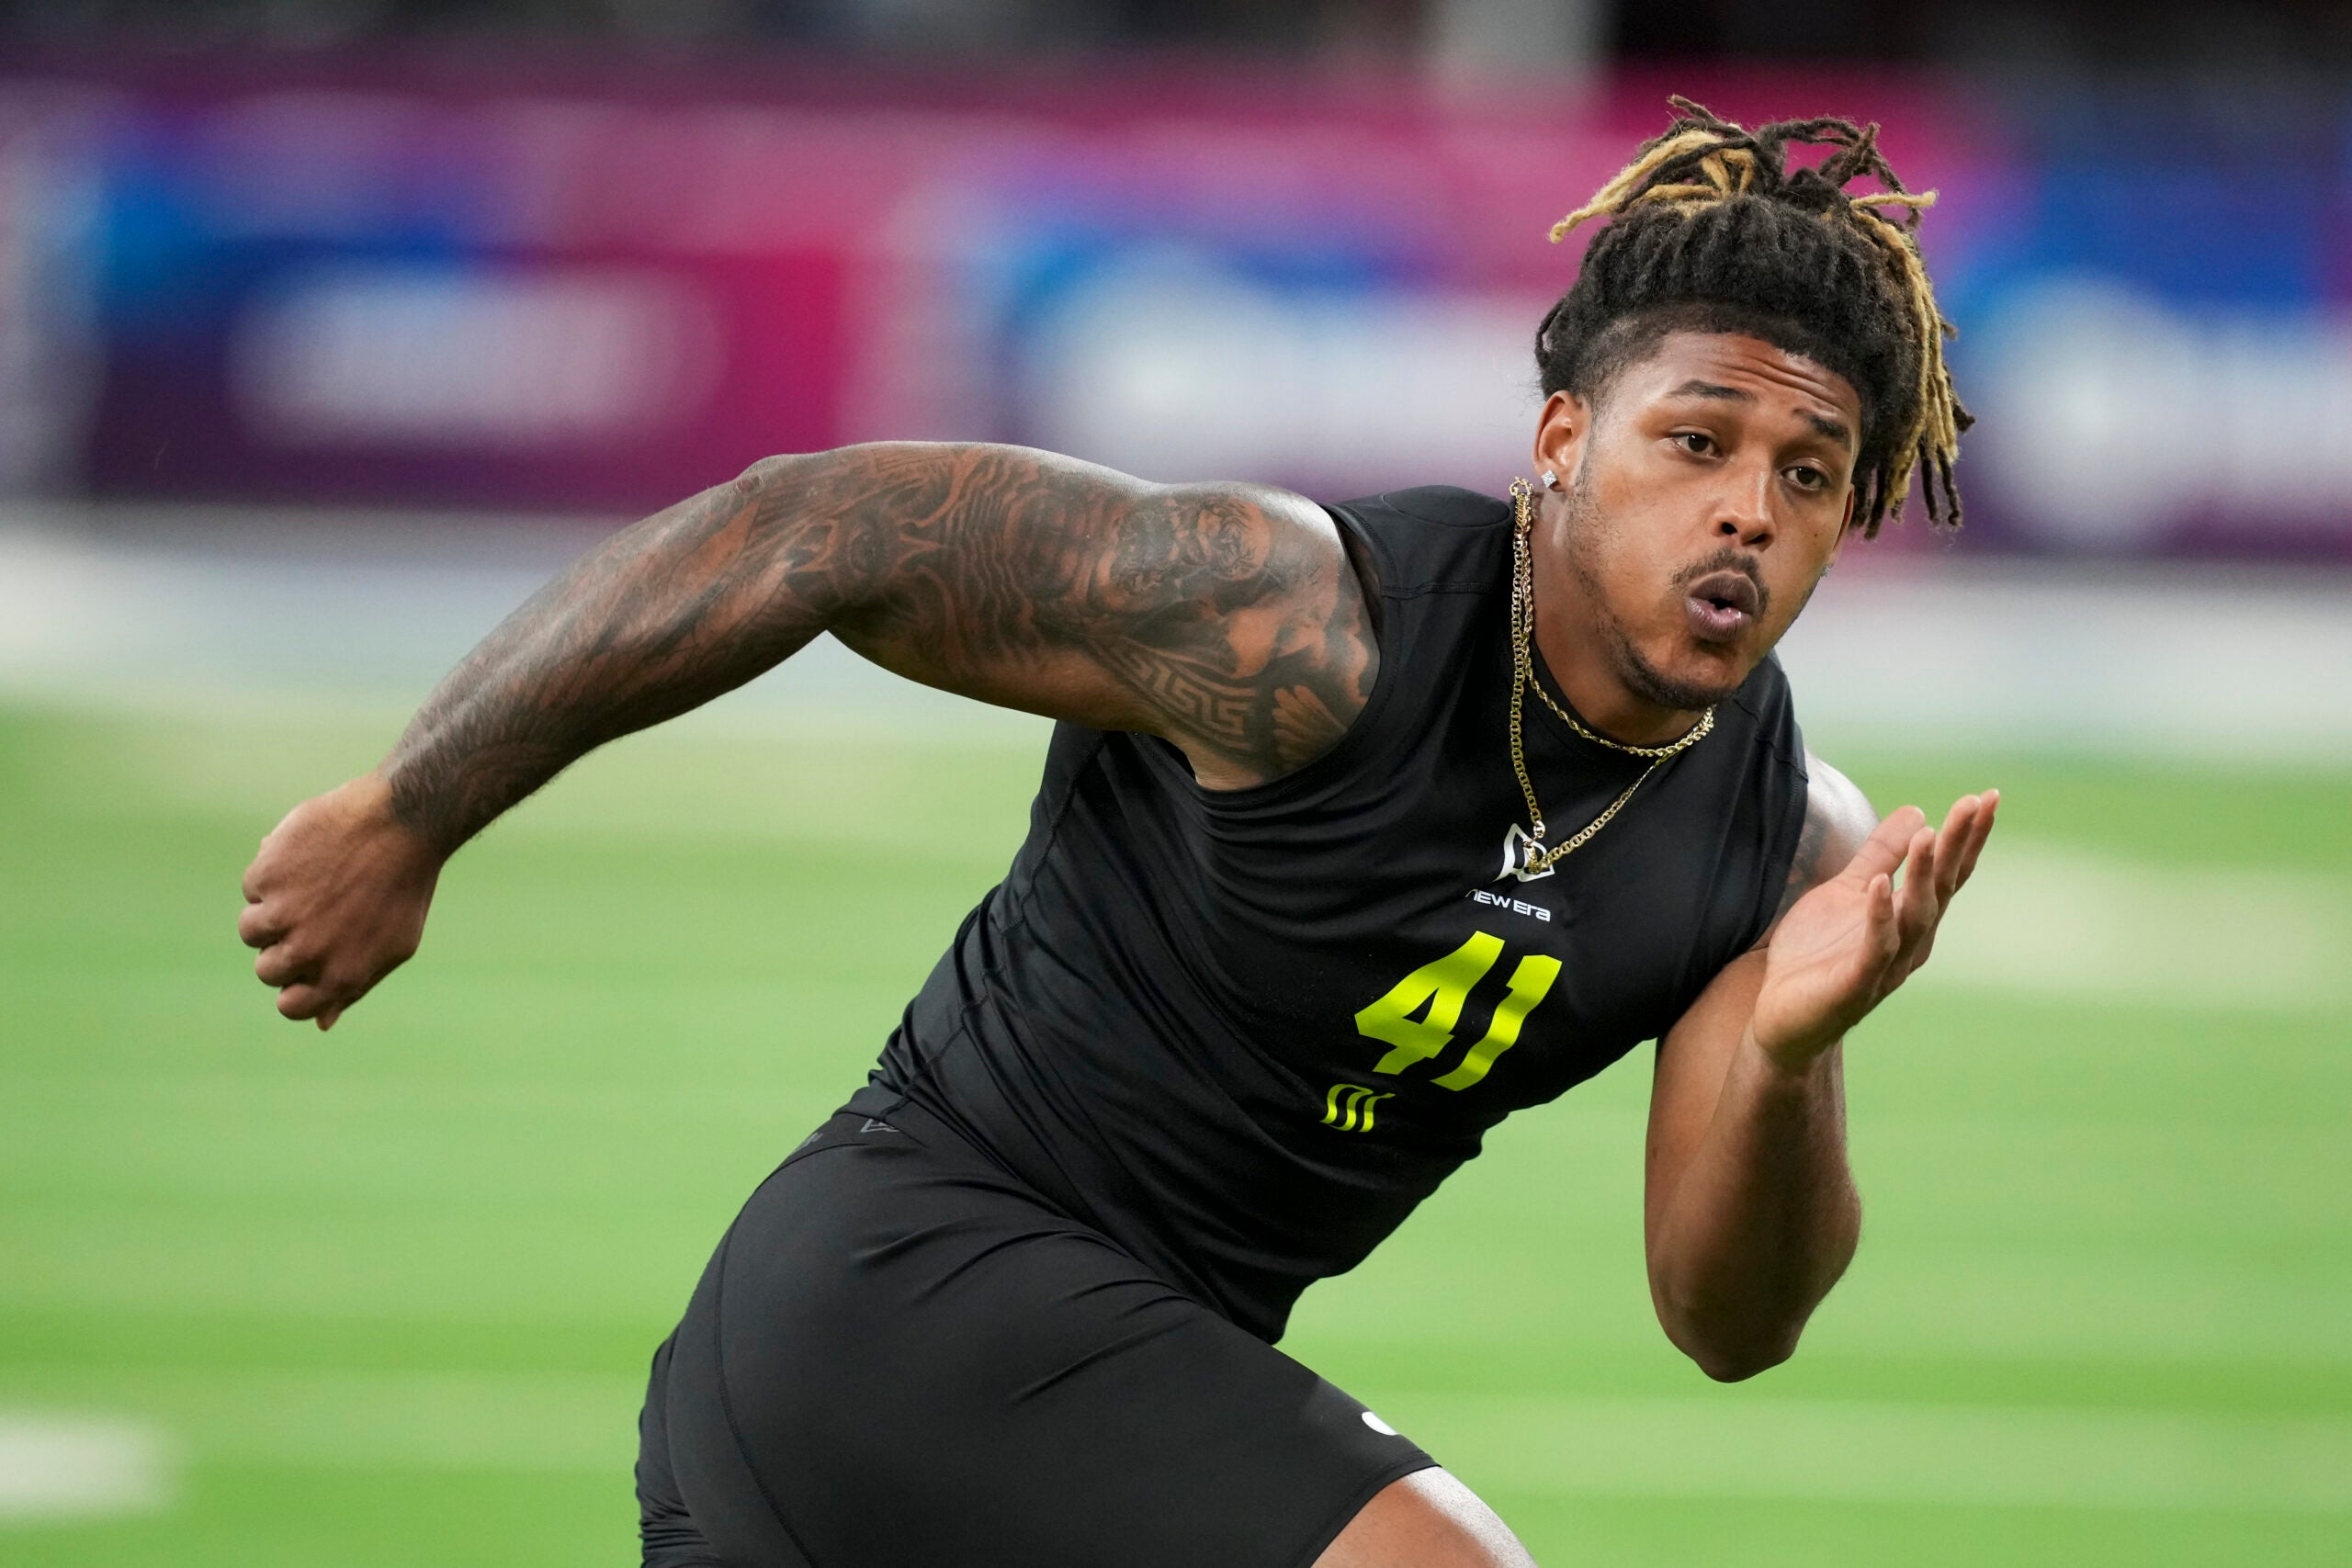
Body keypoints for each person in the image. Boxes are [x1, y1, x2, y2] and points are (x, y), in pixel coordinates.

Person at [237, 100, 1997, 1568]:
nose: (1747, 513)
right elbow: (823, 528)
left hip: (1082, 1419)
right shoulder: (1300, 625)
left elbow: (1729, 1323)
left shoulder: (1782, 846)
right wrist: (412, 809)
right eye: (1698, 441)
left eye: (1810, 475)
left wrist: (1784, 1051)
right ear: (1561, 439)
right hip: (902, 1293)